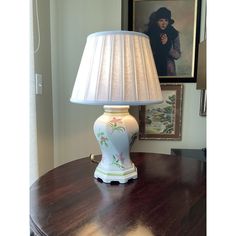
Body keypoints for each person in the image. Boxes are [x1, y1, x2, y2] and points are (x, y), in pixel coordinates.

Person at [144, 7, 181, 76]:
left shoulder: (173, 33)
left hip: (168, 71)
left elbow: (177, 55)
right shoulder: (150, 33)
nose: (164, 23)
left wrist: (167, 46)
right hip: (152, 69)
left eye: (166, 20)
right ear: (156, 21)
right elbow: (145, 54)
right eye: (161, 20)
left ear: (168, 22)